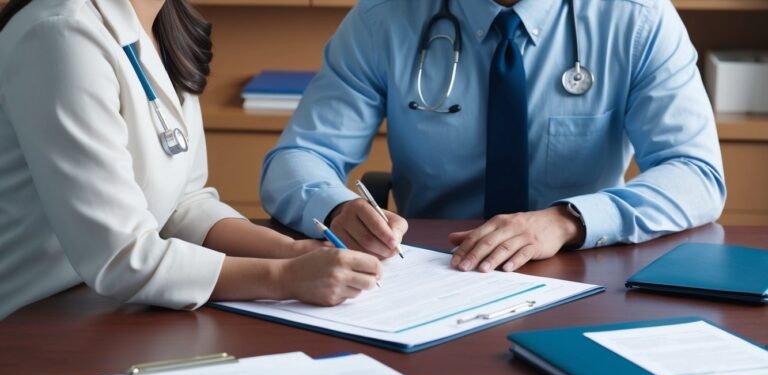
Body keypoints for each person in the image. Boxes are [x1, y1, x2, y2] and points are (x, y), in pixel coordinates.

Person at [260, 0, 726, 273]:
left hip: (581, 268)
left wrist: (568, 220)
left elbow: (696, 174)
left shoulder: (636, 18)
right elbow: (298, 157)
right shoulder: (384, 18)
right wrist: (338, 207)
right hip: (434, 269)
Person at [0, 0, 382, 320]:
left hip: (106, 309)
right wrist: (284, 278)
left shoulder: (162, 26)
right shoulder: (60, 34)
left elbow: (183, 203)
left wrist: (293, 251)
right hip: (32, 321)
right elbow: (120, 258)